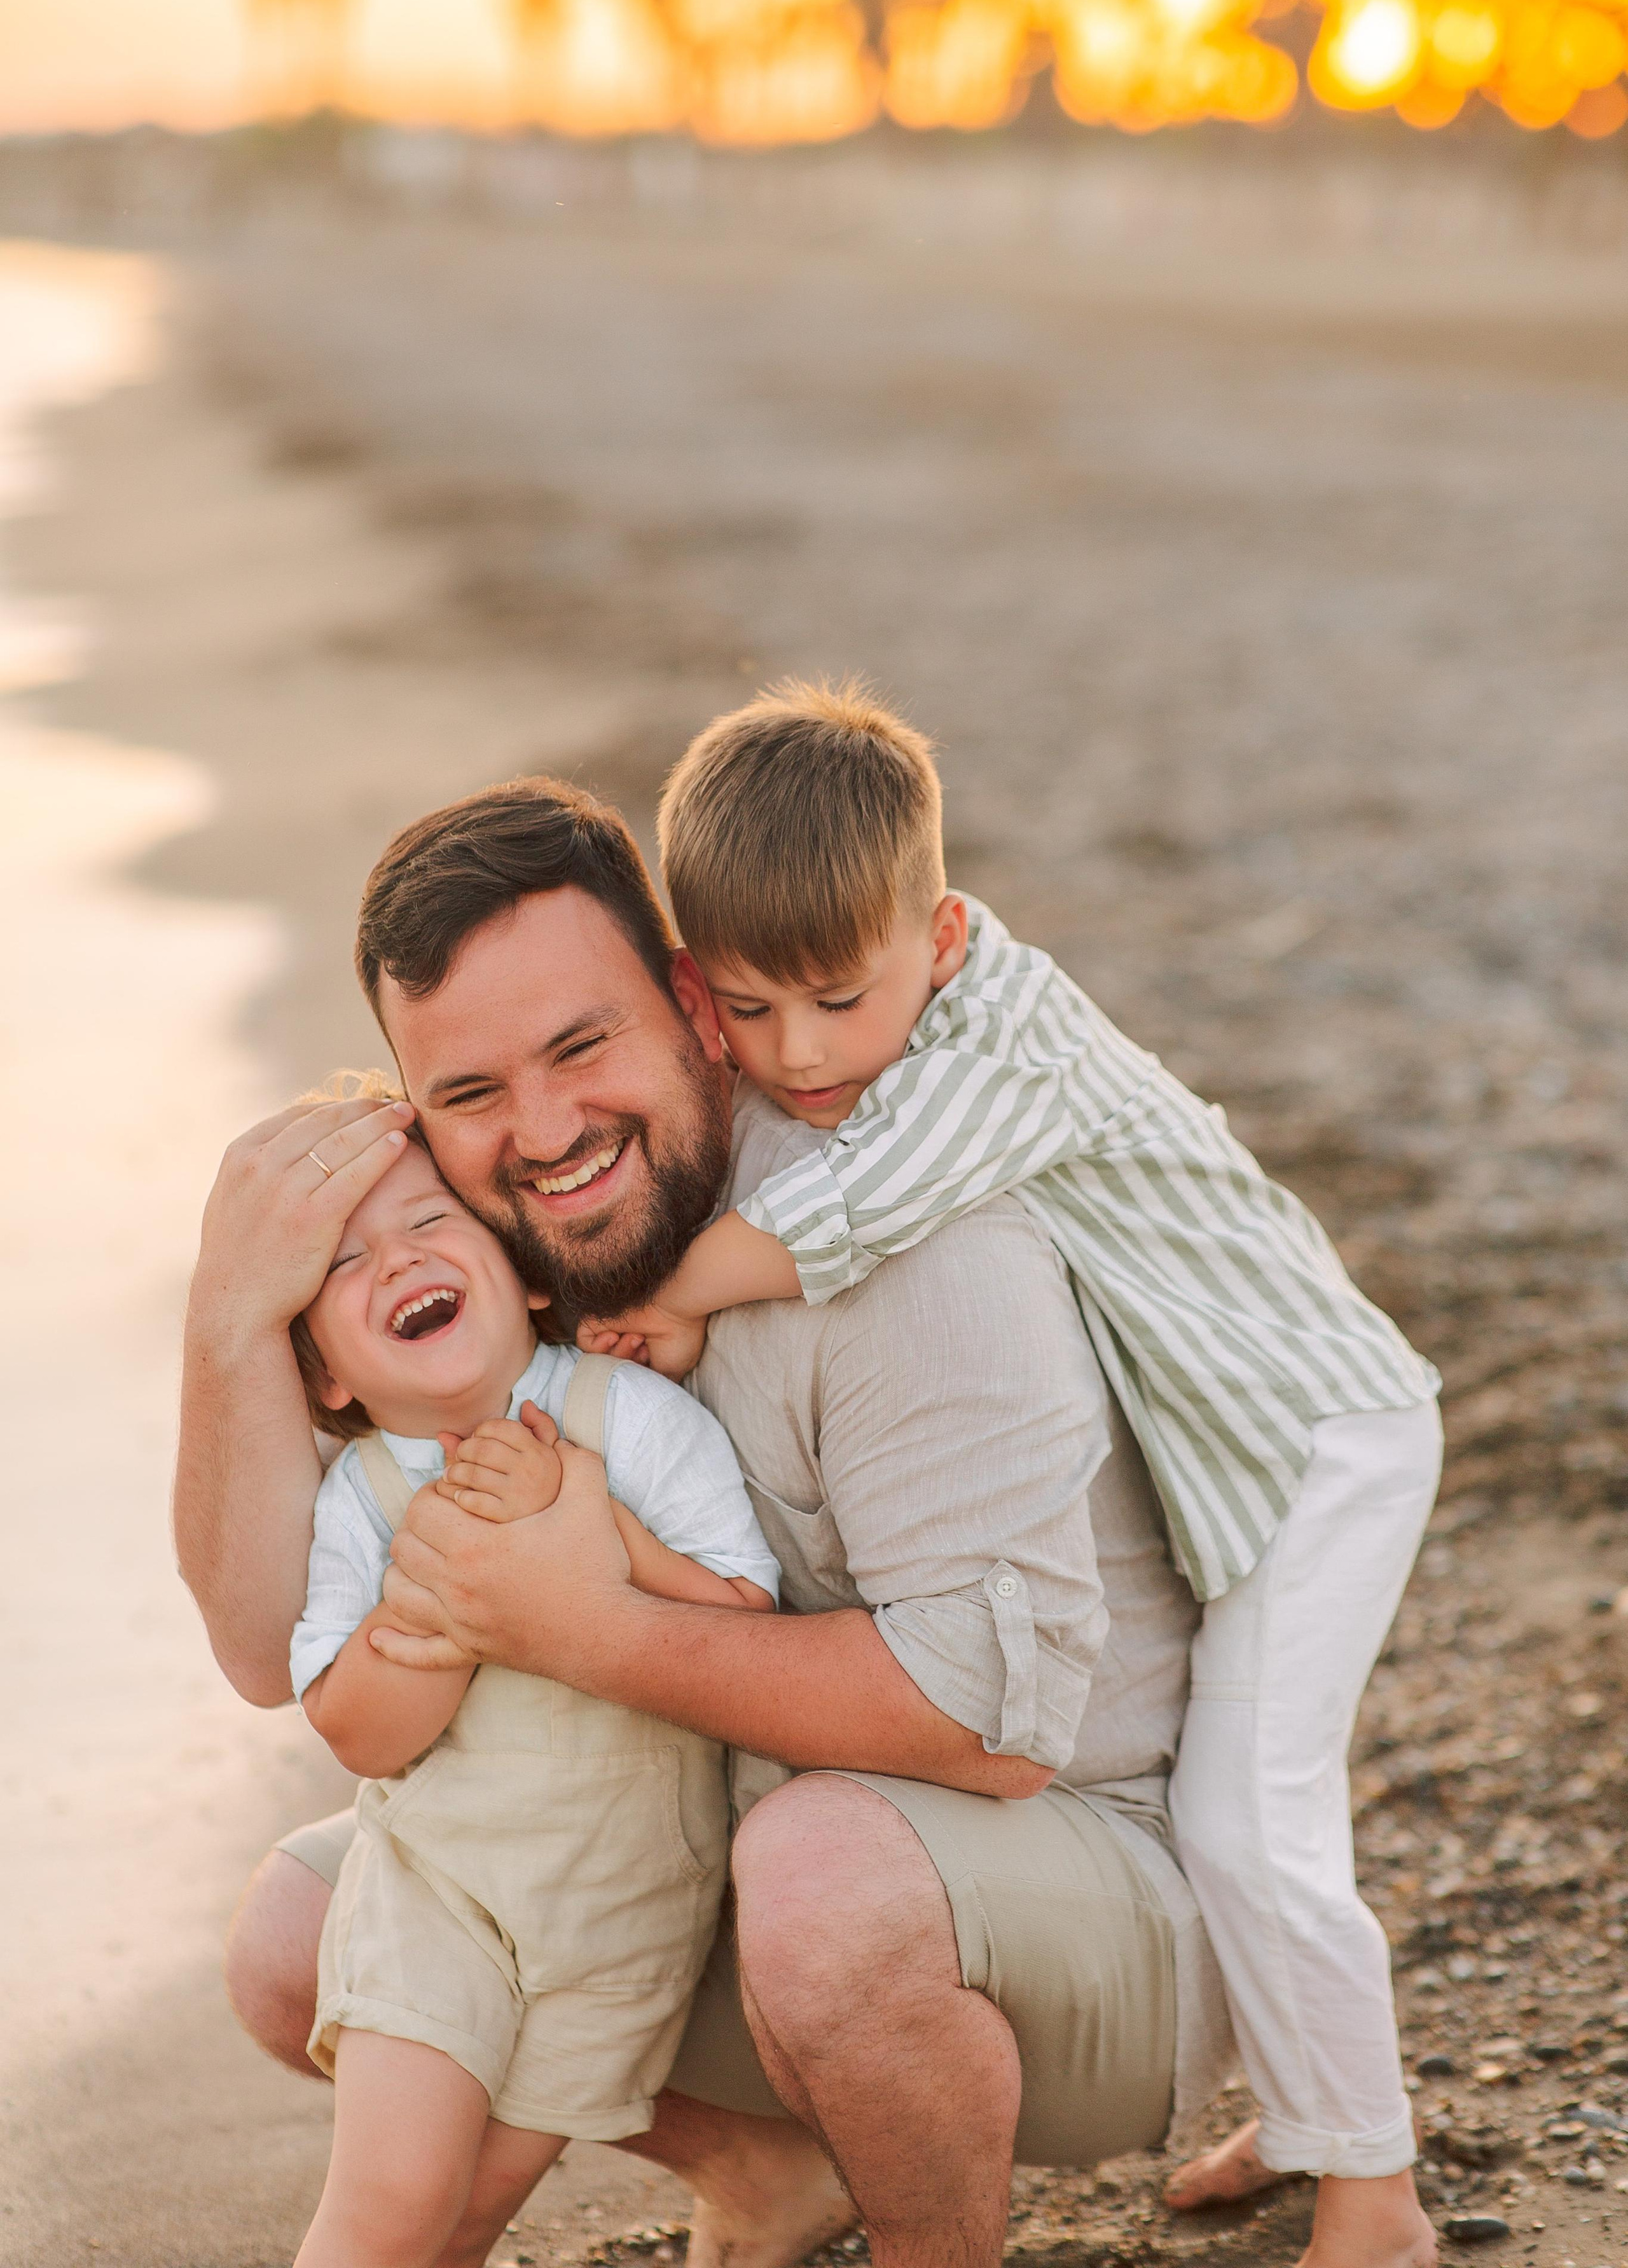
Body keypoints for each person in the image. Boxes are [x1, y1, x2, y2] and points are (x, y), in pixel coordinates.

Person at [174, 773, 1431, 2268]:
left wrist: (589, 1625)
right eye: (472, 1094)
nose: (547, 1128)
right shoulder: (497, 1248)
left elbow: (991, 1728)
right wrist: (230, 1323)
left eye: (583, 1047)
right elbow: (272, 1653)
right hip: (741, 1847)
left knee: (822, 1881)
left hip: (1087, 1892)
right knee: (303, 1937)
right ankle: (766, 2170)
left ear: (693, 1008)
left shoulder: (908, 1230)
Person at [579, 678, 1444, 2234]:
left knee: (1251, 1809)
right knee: (1255, 1795)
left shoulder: (1006, 1041)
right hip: (1233, 1434)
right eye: (748, 1010)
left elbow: (880, 1198)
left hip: (1316, 1438)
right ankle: (1320, 2111)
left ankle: (1375, 2195)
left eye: (841, 999)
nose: (799, 1053)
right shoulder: (871, 1030)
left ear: (947, 937)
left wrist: (685, 1288)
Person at [282, 1106, 777, 2268]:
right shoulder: (362, 1496)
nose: (395, 1260)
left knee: (460, 2225)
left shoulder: (633, 1423)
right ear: (326, 1375)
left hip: (621, 1920)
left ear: (528, 1277)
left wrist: (597, 1531)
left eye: (428, 1223)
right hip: (439, 1898)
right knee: (393, 2204)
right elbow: (360, 1737)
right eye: (344, 1263)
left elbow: (746, 1630)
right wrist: (447, 1587)